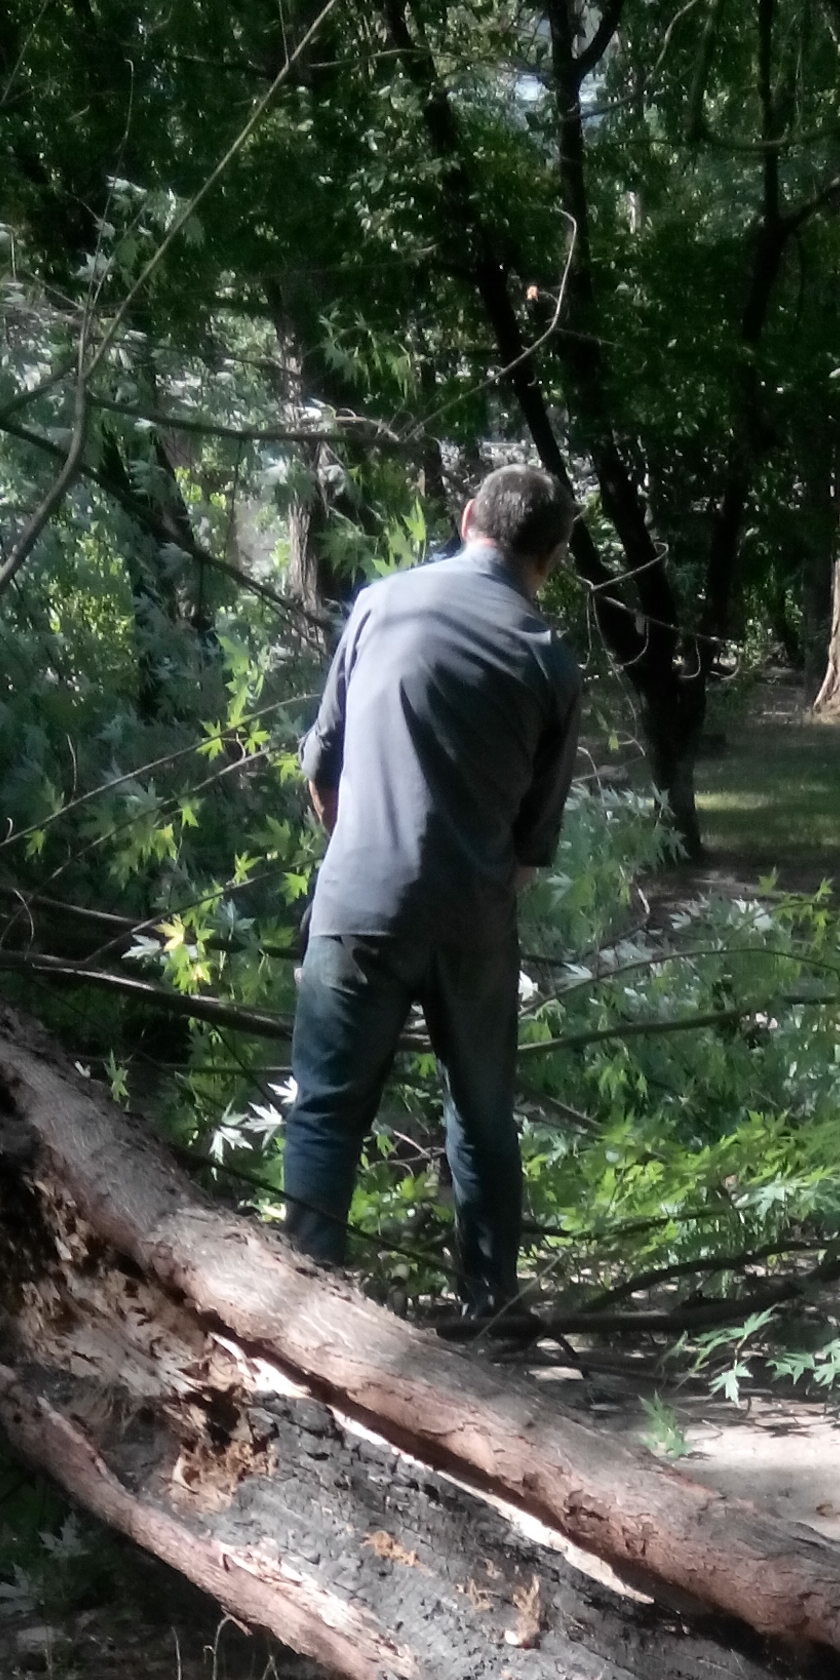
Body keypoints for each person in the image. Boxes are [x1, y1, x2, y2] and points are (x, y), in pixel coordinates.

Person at [284, 460, 584, 1327]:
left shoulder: (380, 606)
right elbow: (530, 849)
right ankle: (491, 1305)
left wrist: (360, 854)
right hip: (472, 921)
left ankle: (303, 1313)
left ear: (466, 518)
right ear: (551, 559)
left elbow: (321, 764)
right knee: (482, 1114)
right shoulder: (550, 662)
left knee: (326, 1110)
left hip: (357, 902)